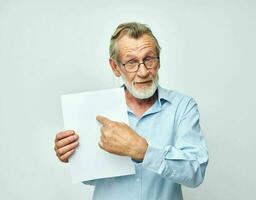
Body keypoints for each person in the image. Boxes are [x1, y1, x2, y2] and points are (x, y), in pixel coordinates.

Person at [54, 22, 209, 200]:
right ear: (115, 67)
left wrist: (144, 151)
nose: (143, 72)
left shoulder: (183, 106)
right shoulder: (97, 109)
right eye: (131, 62)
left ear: (159, 61)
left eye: (149, 59)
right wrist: (75, 157)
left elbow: (195, 173)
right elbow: (93, 180)